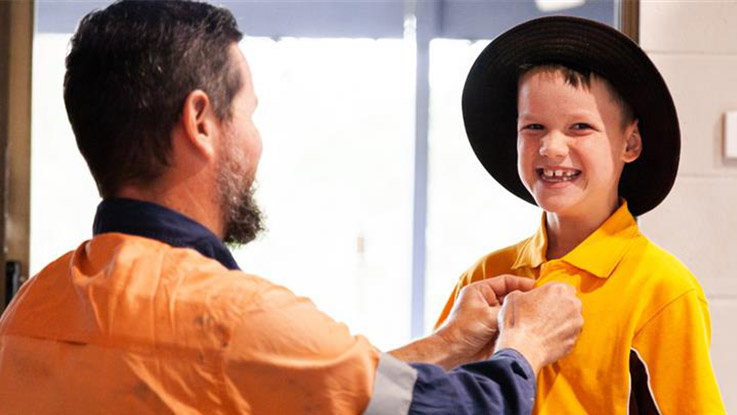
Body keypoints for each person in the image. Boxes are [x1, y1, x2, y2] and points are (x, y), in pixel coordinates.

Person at [0, 2, 584, 414]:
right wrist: (523, 350)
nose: (256, 140)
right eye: (249, 113)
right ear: (201, 121)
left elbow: (303, 390)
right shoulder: (231, 319)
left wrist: (448, 344)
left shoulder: (29, 313)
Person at [435, 16, 726, 415]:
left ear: (631, 142)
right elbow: (429, 397)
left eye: (580, 127)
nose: (552, 148)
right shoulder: (484, 277)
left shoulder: (662, 290)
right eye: (534, 126)